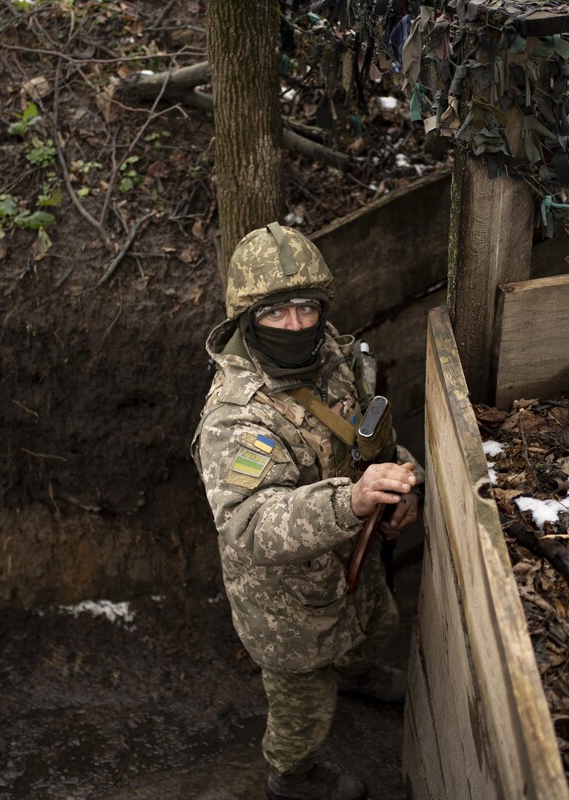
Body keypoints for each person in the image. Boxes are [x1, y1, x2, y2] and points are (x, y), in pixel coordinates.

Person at [191, 222, 424, 800]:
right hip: (286, 605)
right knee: (303, 710)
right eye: (276, 312)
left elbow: (368, 439)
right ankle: (291, 779)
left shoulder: (333, 358)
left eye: (305, 307)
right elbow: (248, 523)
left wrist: (399, 485)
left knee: (380, 626)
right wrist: (351, 501)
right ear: (248, 318)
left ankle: (358, 673)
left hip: (355, 564)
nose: (295, 324)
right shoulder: (237, 417)